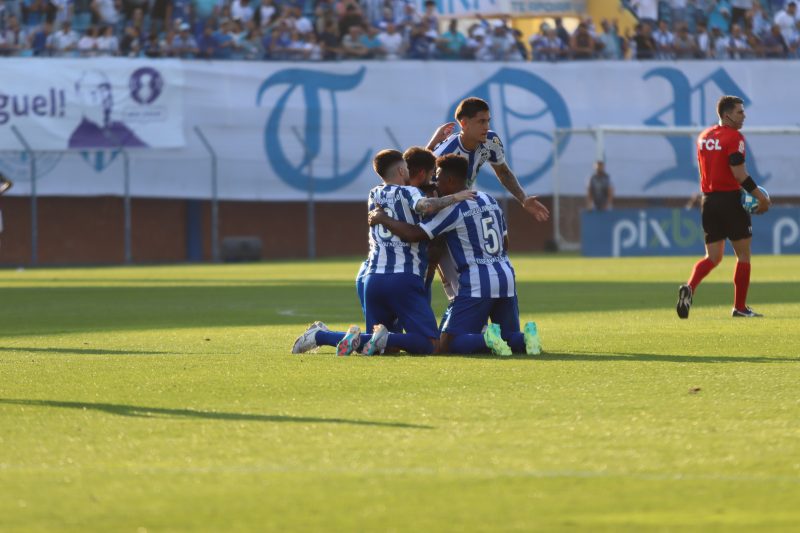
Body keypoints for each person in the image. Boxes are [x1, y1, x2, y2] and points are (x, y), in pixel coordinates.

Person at [292, 149, 475, 356]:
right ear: (401, 170)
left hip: (373, 279)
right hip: (403, 277)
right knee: (430, 344)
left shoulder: (374, 194)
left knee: (383, 349)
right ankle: (344, 336)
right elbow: (425, 205)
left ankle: (321, 336)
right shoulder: (409, 192)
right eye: (405, 168)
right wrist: (455, 197)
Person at [368, 154, 542, 357]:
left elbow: (414, 234)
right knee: (509, 337)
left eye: (438, 177)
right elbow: (505, 242)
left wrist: (383, 219)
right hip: (506, 276)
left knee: (446, 346)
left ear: (450, 180)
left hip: (477, 281)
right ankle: (525, 338)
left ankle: (486, 339)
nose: (435, 182)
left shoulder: (452, 209)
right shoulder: (489, 199)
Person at [425, 97, 550, 306]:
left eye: (488, 121)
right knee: (435, 253)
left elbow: (503, 171)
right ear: (464, 123)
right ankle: (430, 295)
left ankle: (483, 300)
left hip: (465, 203)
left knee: (496, 245)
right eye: (481, 121)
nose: (486, 126)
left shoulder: (491, 140)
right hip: (440, 209)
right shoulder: (445, 152)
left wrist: (524, 199)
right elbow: (417, 181)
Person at [676, 95, 770, 319]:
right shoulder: (734, 137)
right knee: (743, 255)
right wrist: (761, 198)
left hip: (708, 201)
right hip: (731, 201)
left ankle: (690, 287)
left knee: (712, 257)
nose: (744, 115)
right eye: (740, 112)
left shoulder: (704, 136)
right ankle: (740, 307)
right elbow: (739, 174)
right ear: (727, 115)